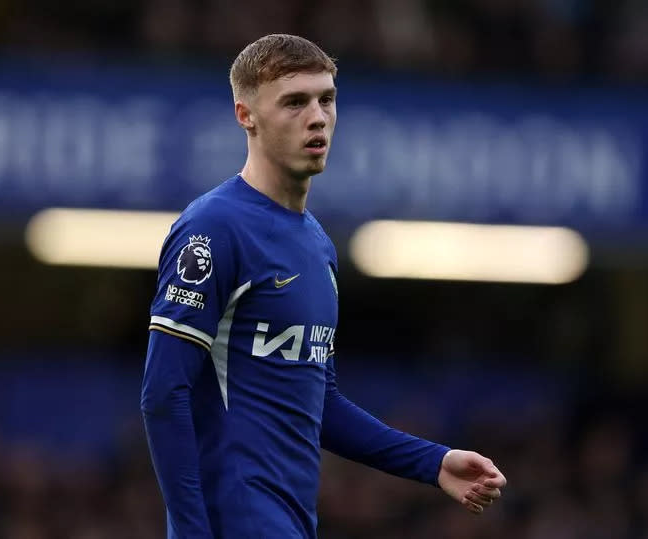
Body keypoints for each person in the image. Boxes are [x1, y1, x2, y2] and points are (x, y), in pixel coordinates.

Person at [141, 33, 506, 539]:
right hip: (235, 519)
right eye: (294, 102)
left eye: (326, 99)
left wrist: (433, 462)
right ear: (246, 115)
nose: (317, 117)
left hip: (292, 521)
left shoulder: (317, 246)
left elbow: (321, 402)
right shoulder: (213, 228)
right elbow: (163, 392)